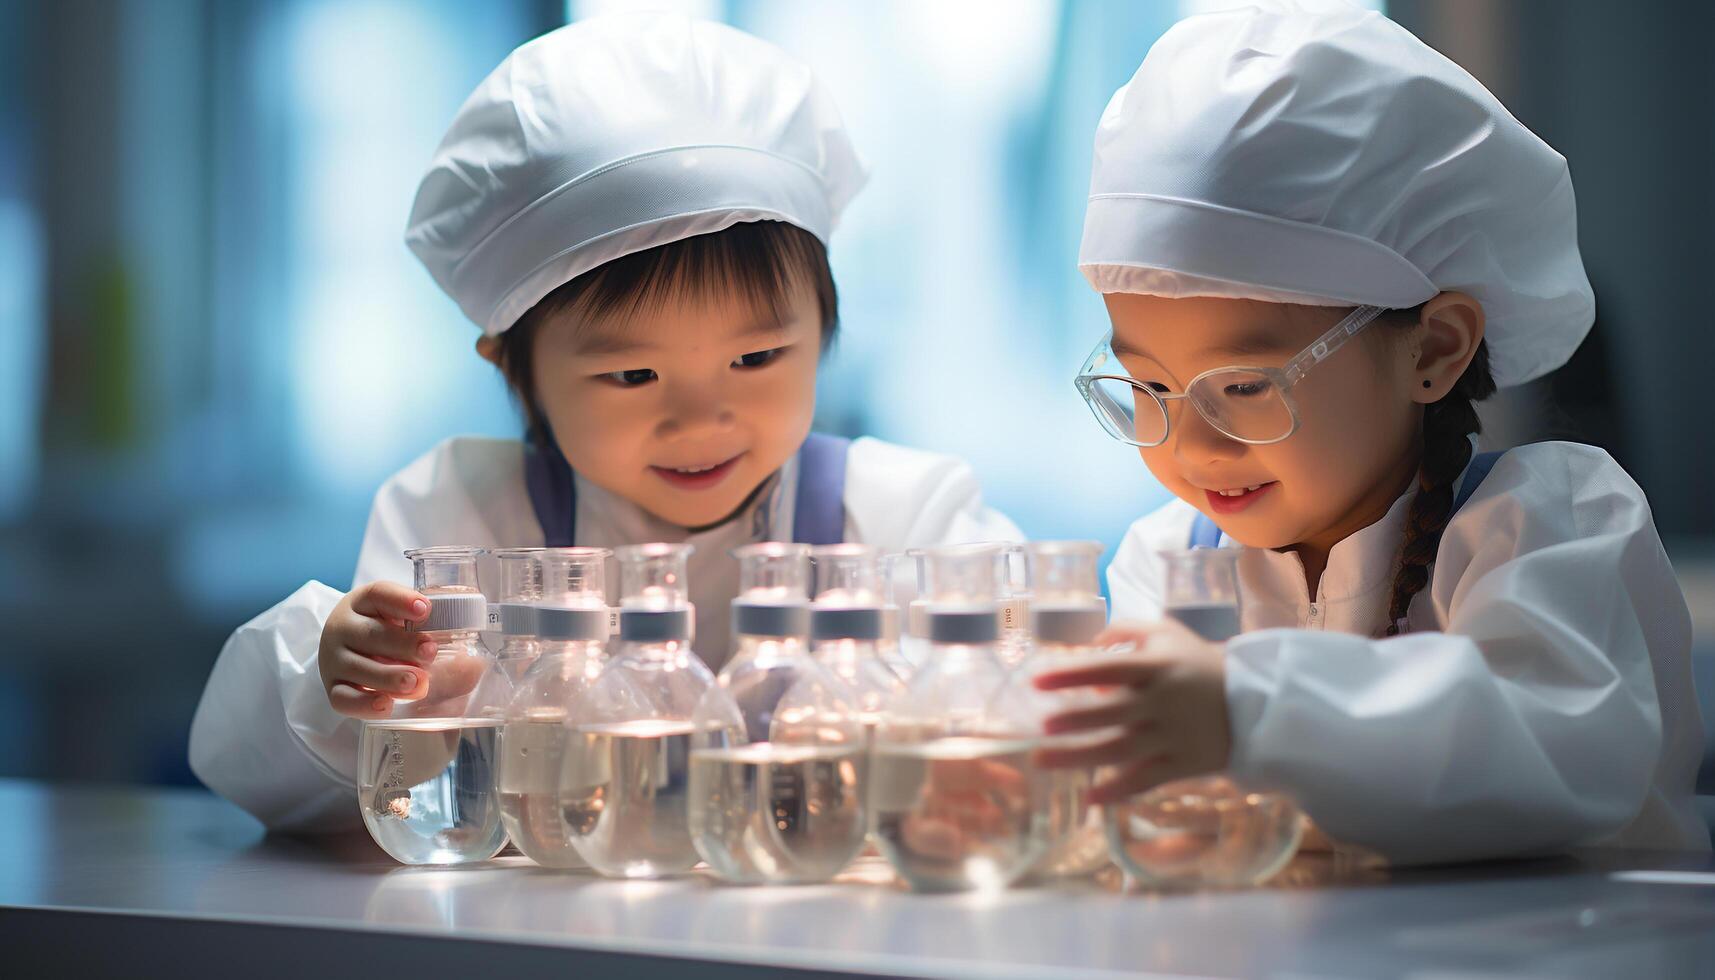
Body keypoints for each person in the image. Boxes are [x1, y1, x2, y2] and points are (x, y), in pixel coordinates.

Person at [189, 12, 1019, 833]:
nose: (701, 418)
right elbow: (304, 797)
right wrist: (344, 690)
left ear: (825, 332)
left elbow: (1022, 718)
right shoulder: (462, 523)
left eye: (757, 358)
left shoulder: (905, 520)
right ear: (512, 367)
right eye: (632, 374)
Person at [1034, 0, 1707, 864]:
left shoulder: (1551, 521)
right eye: (1147, 386)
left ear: (1433, 348)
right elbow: (1155, 808)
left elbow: (1555, 741)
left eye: (1241, 386)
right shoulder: (1169, 561)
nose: (1192, 447)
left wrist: (1250, 709)